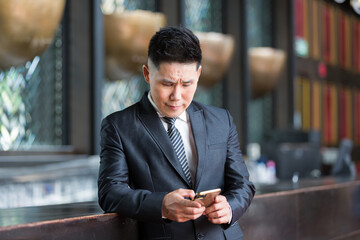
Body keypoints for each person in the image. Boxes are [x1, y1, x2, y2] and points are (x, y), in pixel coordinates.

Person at [98, 26, 255, 240]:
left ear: (198, 75)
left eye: (187, 84)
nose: (177, 96)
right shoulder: (119, 126)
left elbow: (243, 184)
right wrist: (161, 205)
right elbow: (110, 193)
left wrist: (229, 208)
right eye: (167, 83)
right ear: (147, 73)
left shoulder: (221, 120)